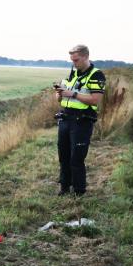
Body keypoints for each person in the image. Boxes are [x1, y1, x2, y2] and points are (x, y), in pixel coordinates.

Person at [54, 44, 106, 196]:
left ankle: (79, 192)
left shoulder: (96, 75)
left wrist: (73, 94)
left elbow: (95, 100)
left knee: (76, 159)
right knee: (63, 156)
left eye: (76, 60)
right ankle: (64, 187)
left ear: (85, 56)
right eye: (72, 60)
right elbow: (62, 98)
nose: (73, 63)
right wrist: (59, 94)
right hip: (65, 119)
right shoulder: (73, 73)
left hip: (82, 122)